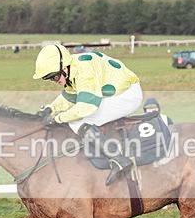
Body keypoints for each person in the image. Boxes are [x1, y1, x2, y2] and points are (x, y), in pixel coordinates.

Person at [33, 44, 143, 185]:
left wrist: (56, 118)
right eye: (50, 79)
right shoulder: (73, 68)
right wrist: (51, 108)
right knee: (74, 118)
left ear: (64, 67)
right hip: (117, 92)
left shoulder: (84, 71)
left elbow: (84, 108)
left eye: (55, 77)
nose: (55, 82)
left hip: (127, 95)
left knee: (77, 121)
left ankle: (118, 158)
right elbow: (69, 97)